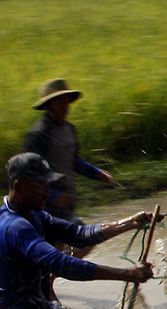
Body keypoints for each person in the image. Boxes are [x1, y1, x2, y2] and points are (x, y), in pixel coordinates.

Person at [0, 153, 161, 309]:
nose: (47, 193)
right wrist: (127, 274)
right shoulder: (13, 227)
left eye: (47, 185)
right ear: (19, 186)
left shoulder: (36, 216)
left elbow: (79, 234)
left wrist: (130, 223)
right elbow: (61, 265)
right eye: (41, 186)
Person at [23, 78, 115, 223]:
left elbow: (74, 161)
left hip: (65, 203)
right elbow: (27, 175)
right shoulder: (38, 134)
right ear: (48, 105)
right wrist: (54, 196)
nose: (65, 107)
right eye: (59, 102)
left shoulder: (69, 129)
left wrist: (97, 173)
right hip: (44, 207)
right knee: (83, 234)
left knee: (75, 236)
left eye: (66, 101)